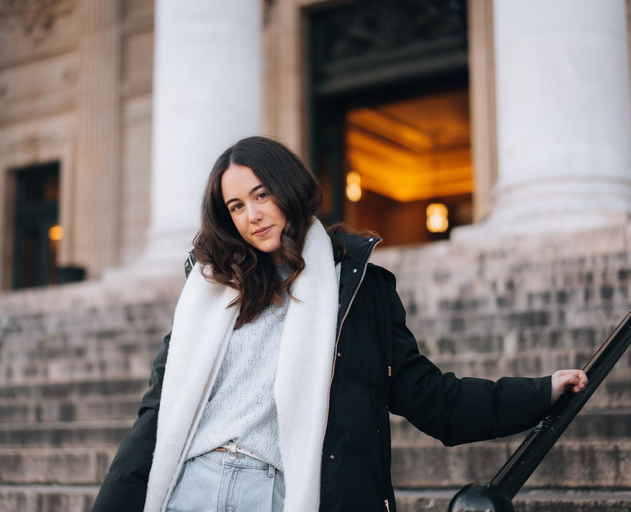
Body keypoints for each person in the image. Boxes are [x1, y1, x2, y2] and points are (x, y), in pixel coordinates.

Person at [92, 136, 588, 512]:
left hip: (279, 491)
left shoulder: (357, 293)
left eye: (261, 195)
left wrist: (539, 392)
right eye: (236, 206)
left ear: (288, 188)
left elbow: (430, 397)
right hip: (190, 487)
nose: (252, 215)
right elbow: (156, 417)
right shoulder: (209, 291)